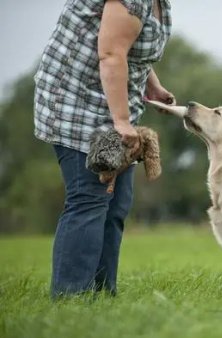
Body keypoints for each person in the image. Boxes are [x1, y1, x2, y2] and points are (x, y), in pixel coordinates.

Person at [33, 0, 174, 298]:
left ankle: (101, 295)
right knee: (89, 198)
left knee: (117, 204)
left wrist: (152, 86)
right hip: (78, 103)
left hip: (112, 103)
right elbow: (111, 54)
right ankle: (71, 298)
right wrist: (121, 121)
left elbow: (130, 45)